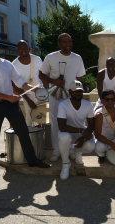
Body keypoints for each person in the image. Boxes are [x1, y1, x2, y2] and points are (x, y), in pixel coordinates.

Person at [0, 40, 50, 176]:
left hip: (11, 105)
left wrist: (32, 88)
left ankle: (32, 161)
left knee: (23, 132)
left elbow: (19, 80)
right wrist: (9, 97)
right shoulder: (11, 63)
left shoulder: (7, 64)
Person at [39, 33, 86, 162]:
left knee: (71, 122)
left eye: (69, 41)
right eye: (64, 42)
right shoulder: (51, 57)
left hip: (71, 96)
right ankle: (56, 151)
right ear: (59, 44)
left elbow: (79, 79)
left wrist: (78, 94)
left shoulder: (77, 58)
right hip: (55, 95)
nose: (68, 44)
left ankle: (71, 150)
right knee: (55, 124)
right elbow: (41, 74)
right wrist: (54, 82)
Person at [57, 80, 95, 180]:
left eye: (80, 91)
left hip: (80, 134)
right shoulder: (63, 105)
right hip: (69, 133)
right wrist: (82, 131)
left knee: (91, 145)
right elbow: (61, 127)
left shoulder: (88, 105)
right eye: (75, 91)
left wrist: (83, 137)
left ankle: (77, 152)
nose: (78, 93)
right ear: (69, 92)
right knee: (64, 136)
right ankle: (66, 163)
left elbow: (91, 125)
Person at [12, 40, 47, 126]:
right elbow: (17, 85)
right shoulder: (14, 64)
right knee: (29, 118)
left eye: (25, 48)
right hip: (27, 96)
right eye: (21, 48)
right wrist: (28, 100)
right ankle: (31, 138)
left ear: (29, 48)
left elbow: (43, 76)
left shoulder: (37, 59)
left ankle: (44, 138)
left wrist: (47, 92)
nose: (23, 50)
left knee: (45, 117)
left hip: (41, 93)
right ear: (17, 50)